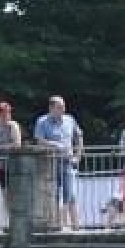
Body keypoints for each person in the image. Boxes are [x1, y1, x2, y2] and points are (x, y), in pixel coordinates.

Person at [34, 95, 84, 230]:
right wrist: (54, 144)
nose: (63, 109)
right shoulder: (42, 121)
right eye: (59, 107)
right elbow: (39, 140)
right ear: (51, 108)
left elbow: (79, 136)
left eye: (63, 107)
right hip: (50, 163)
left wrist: (78, 156)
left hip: (68, 162)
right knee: (54, 195)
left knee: (71, 194)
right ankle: (57, 225)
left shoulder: (70, 119)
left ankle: (75, 226)